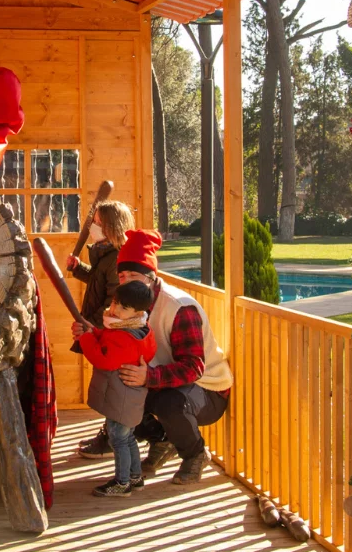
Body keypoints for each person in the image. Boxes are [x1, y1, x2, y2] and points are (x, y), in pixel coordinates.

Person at [73, 229, 233, 485]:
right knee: (122, 389)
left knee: (169, 403)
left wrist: (148, 377)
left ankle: (195, 455)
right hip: (160, 380)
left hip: (207, 390)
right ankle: (163, 440)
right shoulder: (129, 305)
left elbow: (193, 368)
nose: (126, 282)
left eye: (133, 275)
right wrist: (90, 334)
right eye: (122, 275)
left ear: (151, 276)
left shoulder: (179, 308)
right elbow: (116, 345)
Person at [74, 281, 157, 497]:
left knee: (118, 440)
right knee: (127, 438)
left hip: (121, 399)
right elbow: (107, 339)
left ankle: (122, 483)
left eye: (123, 307)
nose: (115, 309)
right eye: (115, 303)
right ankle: (135, 477)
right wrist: (92, 331)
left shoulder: (124, 337)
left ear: (137, 312)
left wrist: (85, 338)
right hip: (129, 398)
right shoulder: (138, 329)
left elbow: (103, 358)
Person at [67, 199, 135, 459]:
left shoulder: (117, 259)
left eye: (97, 223)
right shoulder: (105, 254)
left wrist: (89, 326)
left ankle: (113, 438)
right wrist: (79, 269)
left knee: (113, 390)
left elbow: (112, 301)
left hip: (112, 333)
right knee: (109, 388)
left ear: (111, 227)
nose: (92, 227)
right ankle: (109, 434)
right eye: (93, 222)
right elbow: (98, 281)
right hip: (102, 329)